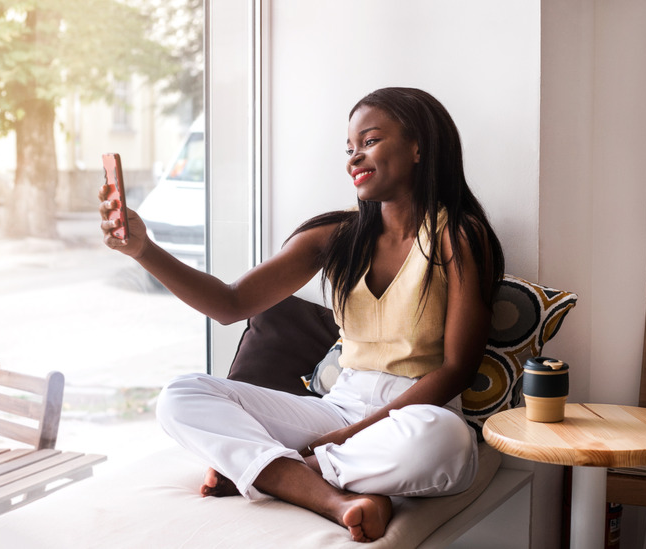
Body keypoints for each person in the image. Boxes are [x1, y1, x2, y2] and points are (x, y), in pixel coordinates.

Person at [99, 87, 504, 543]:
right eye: (349, 148)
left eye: (369, 141)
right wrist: (143, 249)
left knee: (443, 441)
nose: (354, 158)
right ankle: (335, 498)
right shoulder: (335, 236)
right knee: (181, 395)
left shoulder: (458, 237)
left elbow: (457, 370)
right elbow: (229, 304)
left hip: (415, 412)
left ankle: (273, 473)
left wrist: (346, 437)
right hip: (337, 406)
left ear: (418, 148)